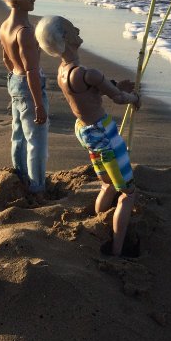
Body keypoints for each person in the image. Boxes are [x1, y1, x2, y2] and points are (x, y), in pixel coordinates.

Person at [34, 15, 140, 256]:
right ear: (65, 38)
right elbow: (119, 98)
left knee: (107, 184)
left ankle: (97, 223)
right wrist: (135, 99)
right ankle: (117, 249)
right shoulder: (87, 72)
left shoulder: (64, 71)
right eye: (72, 28)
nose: (78, 29)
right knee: (128, 192)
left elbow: (88, 94)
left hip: (85, 131)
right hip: (104, 132)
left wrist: (113, 85)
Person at [0, 0, 49, 204]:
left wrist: (14, 77)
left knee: (18, 134)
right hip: (28, 84)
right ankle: (37, 187)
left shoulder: (4, 26)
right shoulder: (25, 31)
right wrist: (38, 103)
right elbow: (31, 70)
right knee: (36, 139)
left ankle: (19, 175)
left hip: (14, 81)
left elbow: (5, 58)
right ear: (18, 2)